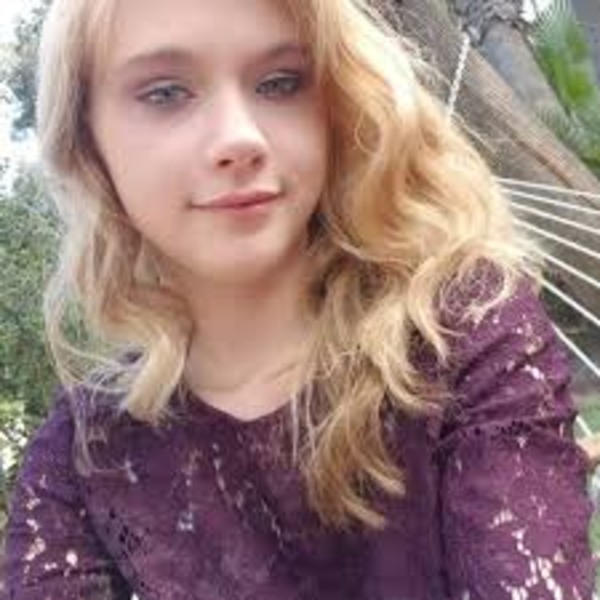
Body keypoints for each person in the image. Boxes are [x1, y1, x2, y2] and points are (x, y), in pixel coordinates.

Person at [4, 0, 595, 597]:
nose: (239, 137)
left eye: (280, 82)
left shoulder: (463, 333)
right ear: (87, 143)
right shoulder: (85, 455)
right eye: (165, 93)